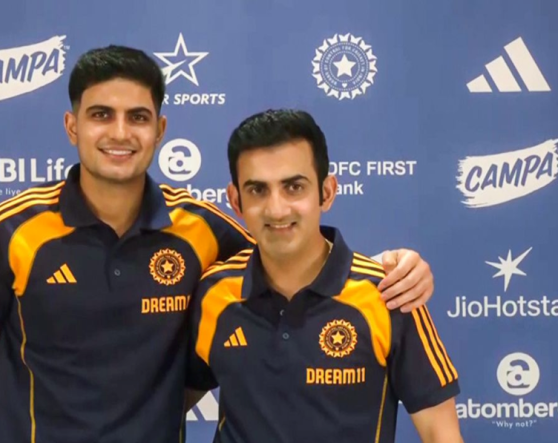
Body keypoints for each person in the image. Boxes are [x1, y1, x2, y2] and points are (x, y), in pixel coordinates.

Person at [0, 46, 436, 443]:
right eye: (101, 114)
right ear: (72, 127)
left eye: (138, 117)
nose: (120, 133)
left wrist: (396, 267)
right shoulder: (11, 228)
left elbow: (292, 251)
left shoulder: (201, 228)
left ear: (160, 130)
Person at [189, 109, 462, 443]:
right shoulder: (213, 293)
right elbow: (169, 401)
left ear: (327, 192)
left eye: (294, 187)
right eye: (258, 190)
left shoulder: (390, 293)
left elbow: (440, 434)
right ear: (235, 201)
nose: (277, 209)